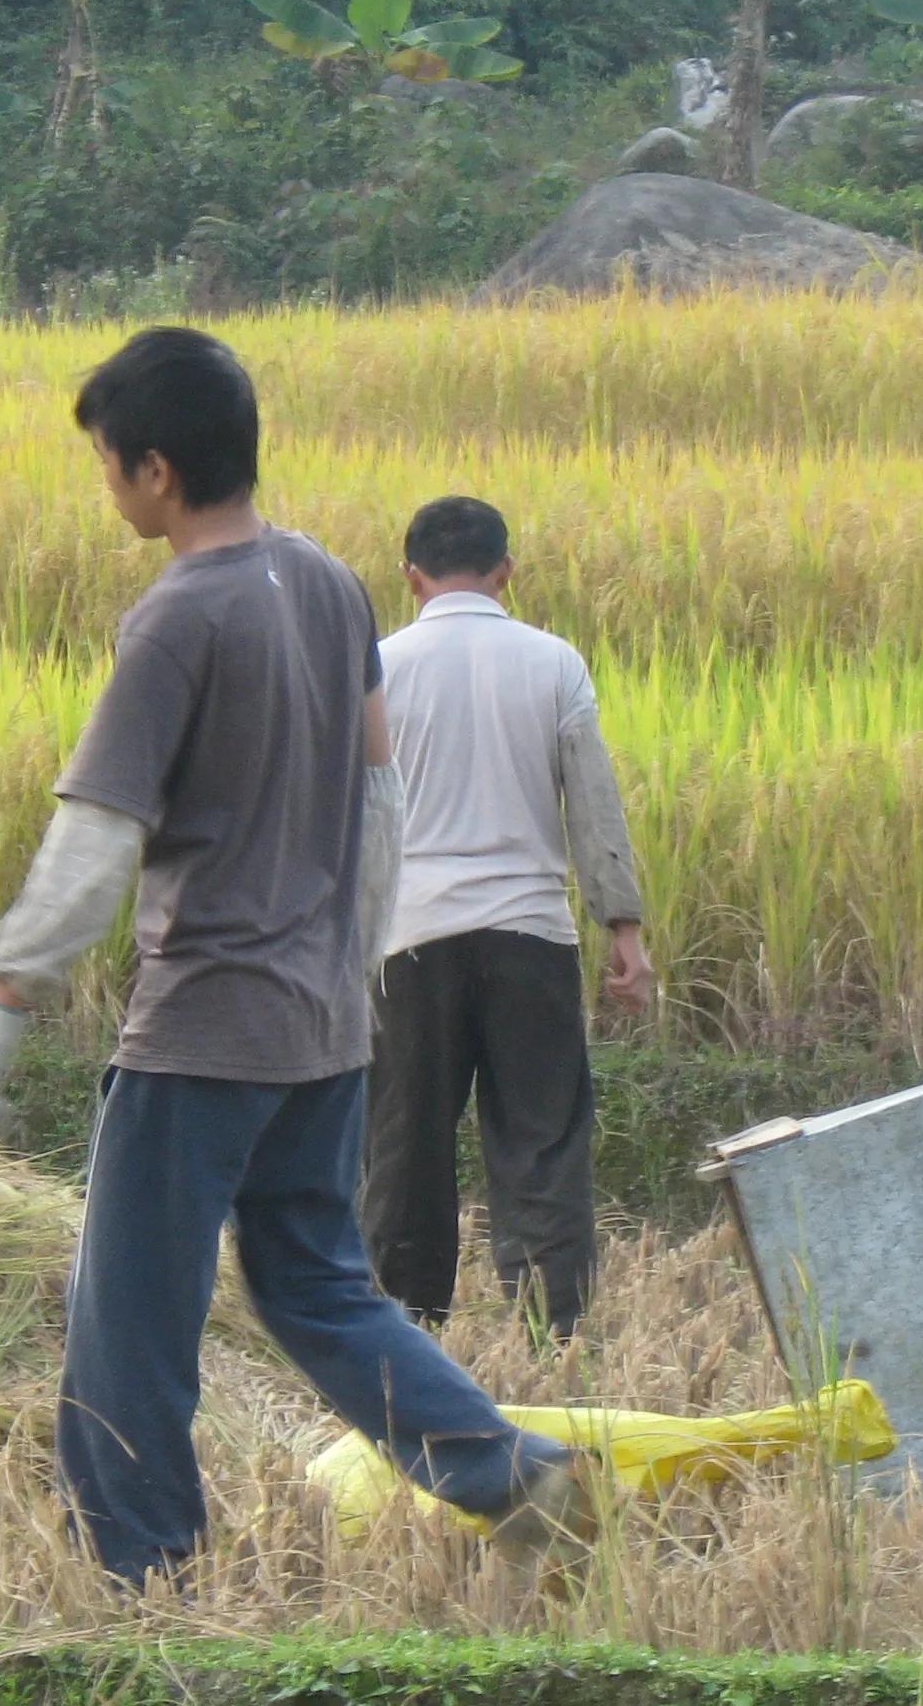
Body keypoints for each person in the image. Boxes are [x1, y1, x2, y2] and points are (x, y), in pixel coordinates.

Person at [0, 329, 581, 1589]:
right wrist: (352, 962)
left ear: (156, 471)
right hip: (322, 1027)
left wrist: (4, 998)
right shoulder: (332, 584)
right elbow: (379, 795)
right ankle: (504, 1470)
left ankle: (144, 1573)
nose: (108, 485)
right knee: (319, 1287)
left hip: (203, 1031)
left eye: (108, 464)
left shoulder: (176, 618)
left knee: (128, 1322)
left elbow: (102, 831)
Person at [361, 494, 653, 1340]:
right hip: (530, 935)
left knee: (406, 1152)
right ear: (506, 572)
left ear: (410, 576)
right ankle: (554, 1337)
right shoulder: (554, 663)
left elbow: (354, 817)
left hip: (411, 941)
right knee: (543, 1146)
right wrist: (623, 929)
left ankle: (404, 1343)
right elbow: (594, 807)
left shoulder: (378, 665)